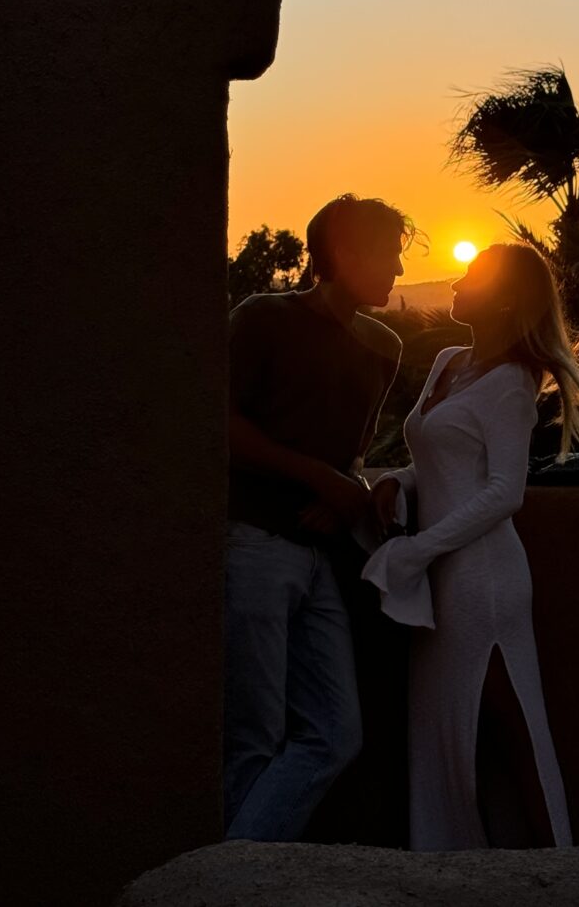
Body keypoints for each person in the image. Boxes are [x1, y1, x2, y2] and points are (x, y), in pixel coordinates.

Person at [362, 242, 579, 850]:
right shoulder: (449, 360)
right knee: (445, 734)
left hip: (483, 582)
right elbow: (445, 465)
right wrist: (400, 478)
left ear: (503, 298)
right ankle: (455, 865)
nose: (457, 281)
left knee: (508, 724)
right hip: (441, 576)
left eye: (472, 276)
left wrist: (419, 551)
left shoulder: (511, 383)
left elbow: (504, 491)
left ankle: (561, 870)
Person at [223, 193, 415, 841]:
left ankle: (235, 870)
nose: (397, 268)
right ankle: (233, 887)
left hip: (322, 555)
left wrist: (348, 494)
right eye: (387, 253)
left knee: (336, 734)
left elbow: (352, 455)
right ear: (343, 254)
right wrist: (317, 479)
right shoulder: (261, 319)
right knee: (253, 735)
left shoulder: (382, 347)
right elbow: (221, 428)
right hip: (253, 541)